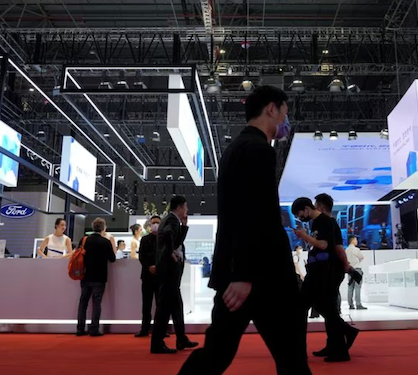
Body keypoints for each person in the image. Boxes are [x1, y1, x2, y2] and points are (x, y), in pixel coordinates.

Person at [177, 85, 312, 375]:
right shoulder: (258, 149)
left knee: (218, 353)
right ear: (272, 109)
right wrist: (244, 274)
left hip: (244, 274)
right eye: (285, 113)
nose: (285, 122)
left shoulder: (235, 149)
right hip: (262, 278)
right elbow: (254, 213)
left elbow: (240, 214)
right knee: (290, 359)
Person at [293, 197, 352, 363]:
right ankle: (338, 343)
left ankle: (338, 347)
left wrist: (304, 237)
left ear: (307, 208)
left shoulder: (324, 221)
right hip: (318, 271)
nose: (300, 218)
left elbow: (324, 245)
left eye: (299, 214)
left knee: (322, 308)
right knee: (325, 308)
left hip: (324, 271)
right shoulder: (319, 222)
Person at [312, 193, 360, 357]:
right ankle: (334, 342)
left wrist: (346, 265)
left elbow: (338, 247)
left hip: (331, 270)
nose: (314, 207)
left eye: (315, 204)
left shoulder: (329, 223)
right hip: (331, 269)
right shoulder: (330, 223)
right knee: (327, 308)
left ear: (321, 206)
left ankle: (342, 337)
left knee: (326, 307)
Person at [151, 196, 197, 354]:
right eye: (185, 206)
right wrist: (171, 252)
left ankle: (181, 338)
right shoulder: (171, 220)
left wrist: (184, 226)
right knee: (164, 307)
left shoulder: (173, 220)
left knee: (176, 306)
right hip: (169, 269)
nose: (187, 210)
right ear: (179, 207)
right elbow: (170, 237)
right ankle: (157, 343)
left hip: (170, 270)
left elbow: (176, 241)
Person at [76, 217, 116, 337]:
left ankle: (80, 328)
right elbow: (112, 259)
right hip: (100, 276)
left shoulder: (84, 240)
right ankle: (94, 329)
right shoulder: (105, 242)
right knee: (96, 302)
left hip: (85, 275)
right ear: (103, 228)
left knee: (83, 302)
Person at [136, 215, 162, 338]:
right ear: (150, 225)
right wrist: (149, 267)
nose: (155, 225)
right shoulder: (145, 239)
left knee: (160, 304)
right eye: (153, 223)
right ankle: (144, 329)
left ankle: (160, 329)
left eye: (157, 223)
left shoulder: (164, 238)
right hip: (147, 275)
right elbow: (141, 256)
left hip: (160, 276)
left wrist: (159, 267)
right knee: (146, 304)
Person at [345, 236, 366, 310]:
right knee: (357, 287)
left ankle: (350, 304)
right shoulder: (356, 249)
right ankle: (358, 304)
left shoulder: (346, 250)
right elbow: (361, 257)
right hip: (357, 269)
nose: (357, 241)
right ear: (353, 240)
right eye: (356, 239)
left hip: (350, 270)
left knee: (350, 287)